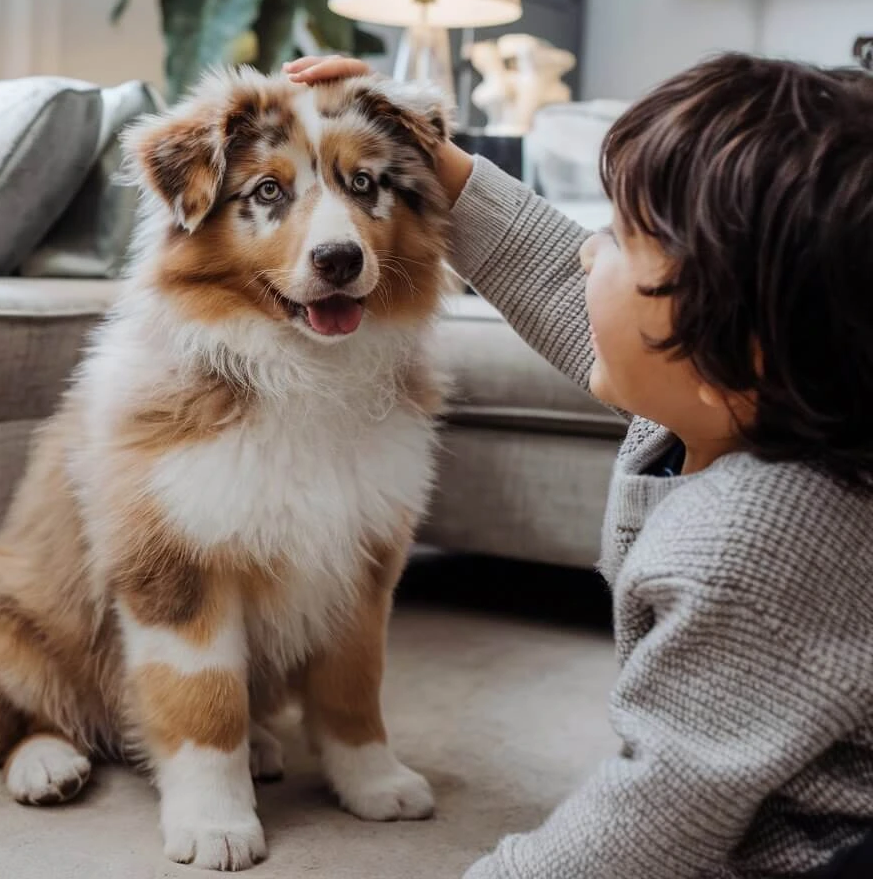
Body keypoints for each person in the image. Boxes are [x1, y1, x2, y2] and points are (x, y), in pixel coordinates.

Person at [283, 52, 873, 879]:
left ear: (736, 349)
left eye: (623, 239)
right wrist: (430, 156)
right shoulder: (730, 411)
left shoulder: (759, 542)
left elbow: (652, 823)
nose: (589, 257)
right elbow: (556, 283)